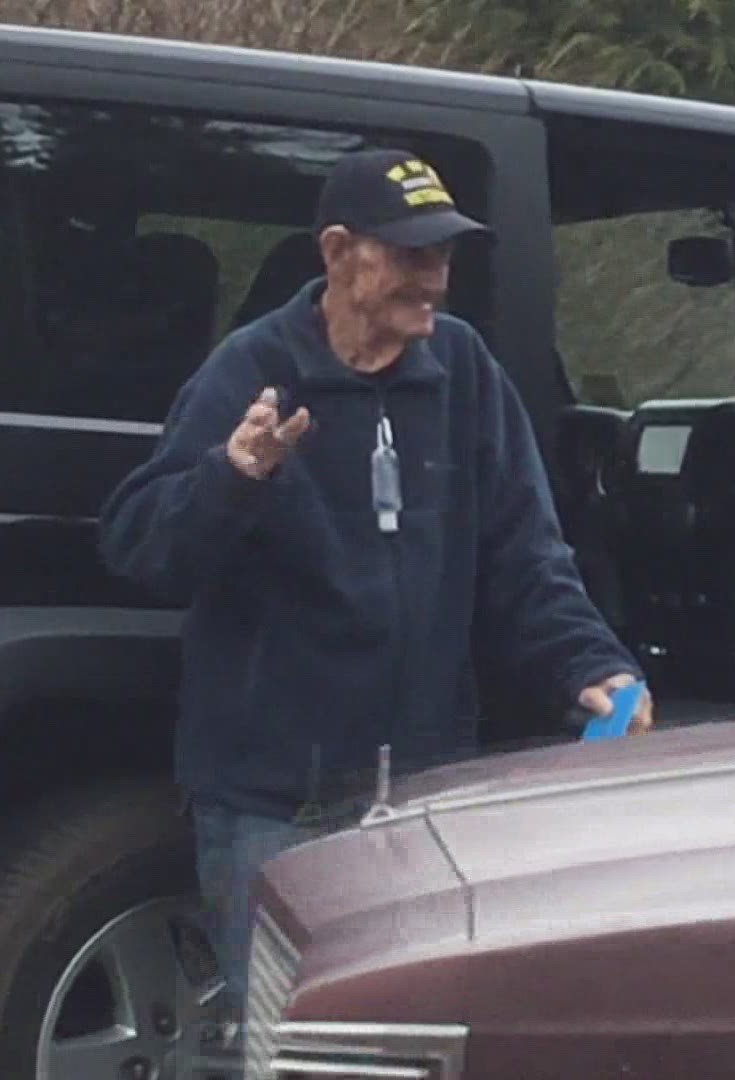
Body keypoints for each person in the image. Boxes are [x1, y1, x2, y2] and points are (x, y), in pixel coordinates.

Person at [97, 148, 653, 1031]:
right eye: (408, 255)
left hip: (425, 798)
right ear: (337, 252)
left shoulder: (465, 372)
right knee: (289, 1041)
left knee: (408, 1037)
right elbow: (141, 547)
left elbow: (526, 556)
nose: (432, 279)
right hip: (275, 803)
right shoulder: (254, 369)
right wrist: (234, 474)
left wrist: (591, 664)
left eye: (441, 256)